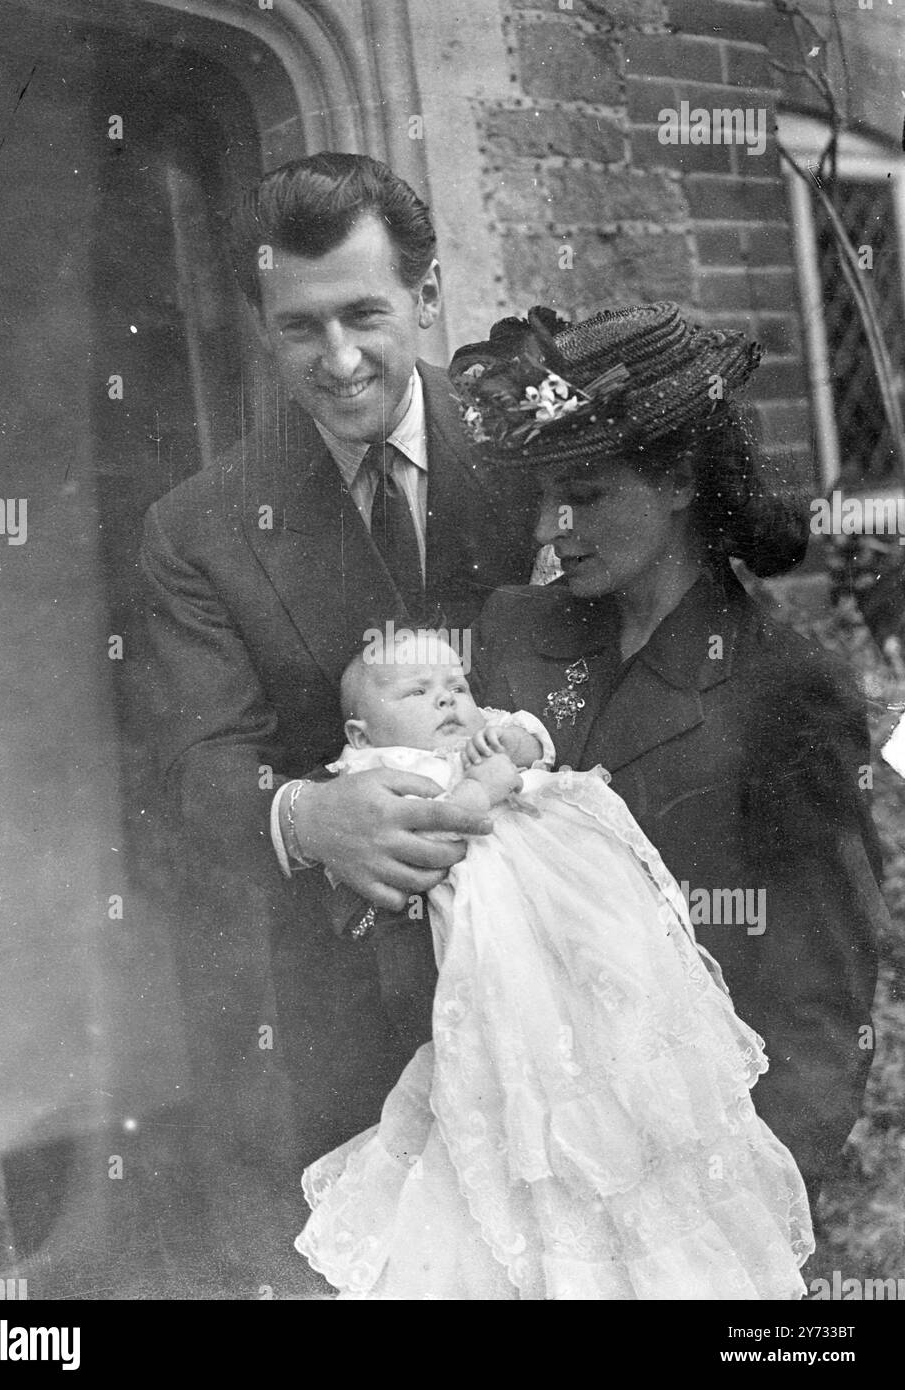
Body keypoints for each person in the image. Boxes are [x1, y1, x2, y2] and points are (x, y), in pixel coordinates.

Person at [139, 153, 535, 1189]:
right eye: (298, 327)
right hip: (351, 1029)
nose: (341, 359)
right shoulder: (197, 531)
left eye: (365, 314)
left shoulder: (530, 452)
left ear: (429, 294)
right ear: (258, 325)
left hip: (556, 983)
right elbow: (192, 769)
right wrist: (308, 818)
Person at [455, 301, 885, 1206]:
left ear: (683, 479)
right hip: (501, 1153)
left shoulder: (786, 700)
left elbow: (814, 1015)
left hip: (683, 1190)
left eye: (586, 495)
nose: (549, 532)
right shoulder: (512, 633)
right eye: (543, 496)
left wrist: (728, 1220)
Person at [294, 628, 814, 1299]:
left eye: (456, 685)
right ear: (361, 733)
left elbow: (536, 737)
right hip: (509, 969)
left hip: (585, 938)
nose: (447, 701)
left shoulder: (479, 737)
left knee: (629, 1079)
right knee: (522, 1106)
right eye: (418, 691)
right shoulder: (382, 776)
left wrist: (513, 745)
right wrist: (483, 788)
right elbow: (431, 836)